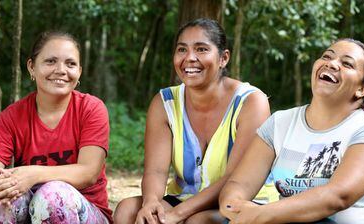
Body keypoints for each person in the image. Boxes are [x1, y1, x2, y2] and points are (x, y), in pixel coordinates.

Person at [114, 18, 272, 224]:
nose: (189, 58)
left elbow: (235, 178)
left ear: (224, 58)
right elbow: (156, 171)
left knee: (198, 222)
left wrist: (177, 215)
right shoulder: (165, 103)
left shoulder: (251, 102)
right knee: (128, 210)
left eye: (201, 49)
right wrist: (151, 202)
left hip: (243, 202)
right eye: (182, 50)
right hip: (185, 197)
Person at [219, 38, 364, 224]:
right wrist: (235, 206)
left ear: (362, 89)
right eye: (327, 56)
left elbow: (338, 196)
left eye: (347, 63)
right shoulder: (279, 123)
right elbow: (238, 185)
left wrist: (261, 215)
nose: (331, 63)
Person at [0, 31, 113, 223]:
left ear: (79, 71)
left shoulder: (91, 108)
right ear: (31, 67)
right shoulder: (13, 116)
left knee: (53, 195)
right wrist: (1, 188)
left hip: (87, 212)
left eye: (70, 64)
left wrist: (33, 174)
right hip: (31, 211)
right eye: (50, 61)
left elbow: (89, 172)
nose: (61, 70)